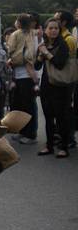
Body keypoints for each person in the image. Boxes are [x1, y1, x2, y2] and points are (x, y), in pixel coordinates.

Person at [35, 18, 71, 158]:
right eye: (50, 28)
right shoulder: (43, 45)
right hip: (46, 85)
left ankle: (64, 147)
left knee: (61, 117)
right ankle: (49, 146)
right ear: (45, 30)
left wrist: (46, 53)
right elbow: (37, 66)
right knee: (48, 117)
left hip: (60, 86)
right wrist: (40, 55)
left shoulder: (63, 45)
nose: (53, 30)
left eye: (56, 28)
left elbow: (60, 64)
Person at [7, 14, 39, 145]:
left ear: (19, 23)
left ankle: (29, 134)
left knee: (24, 106)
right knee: (27, 105)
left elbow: (10, 50)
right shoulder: (35, 34)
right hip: (30, 74)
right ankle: (25, 132)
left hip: (21, 75)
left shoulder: (16, 34)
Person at [53, 10, 77, 148]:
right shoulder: (60, 37)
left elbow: (64, 61)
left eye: (56, 19)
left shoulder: (68, 39)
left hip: (66, 79)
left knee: (66, 109)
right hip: (58, 79)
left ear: (64, 22)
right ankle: (61, 135)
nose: (53, 21)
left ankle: (69, 138)